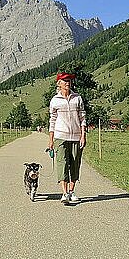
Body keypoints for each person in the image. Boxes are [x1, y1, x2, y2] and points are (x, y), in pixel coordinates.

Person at [48, 72, 86, 204]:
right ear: (59, 83)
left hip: (76, 136)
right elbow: (52, 120)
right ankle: (64, 193)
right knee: (62, 163)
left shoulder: (77, 98)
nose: (68, 83)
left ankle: (71, 191)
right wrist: (51, 139)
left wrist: (83, 135)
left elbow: (82, 118)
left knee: (75, 164)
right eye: (64, 81)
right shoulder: (55, 100)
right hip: (60, 136)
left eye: (69, 81)